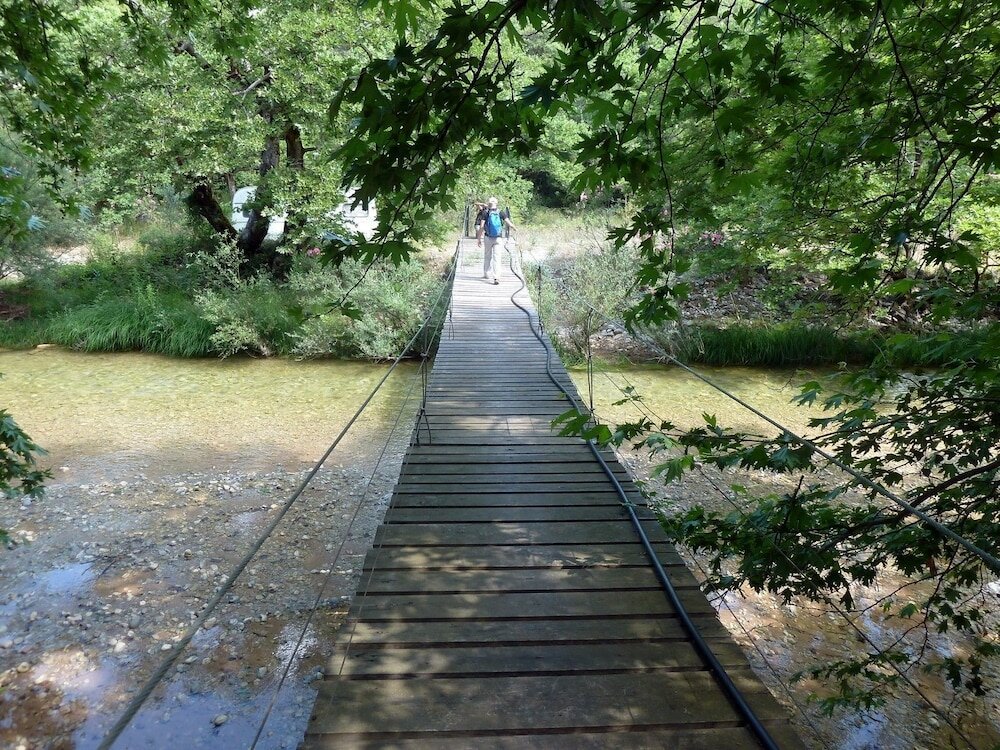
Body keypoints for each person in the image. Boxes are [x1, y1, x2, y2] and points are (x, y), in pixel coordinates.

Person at [475, 196, 515, 285]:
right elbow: (508, 223)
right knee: (497, 258)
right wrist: (514, 227)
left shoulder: (485, 213)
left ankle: (486, 274)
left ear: (488, 204)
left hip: (488, 237)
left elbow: (481, 227)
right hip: (498, 238)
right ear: (496, 203)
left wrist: (479, 238)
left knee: (487, 256)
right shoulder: (501, 212)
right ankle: (496, 277)